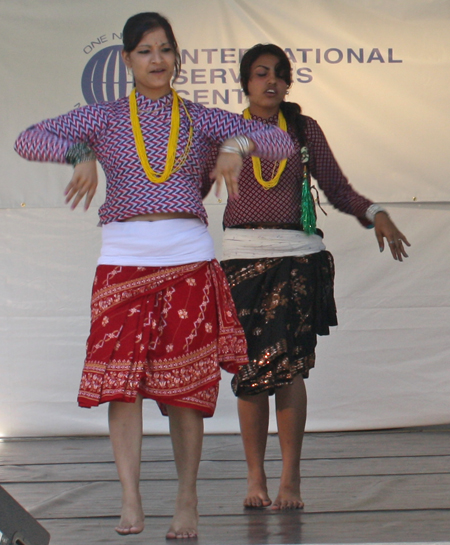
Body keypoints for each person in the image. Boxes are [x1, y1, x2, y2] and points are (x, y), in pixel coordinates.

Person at [14, 17, 295, 539]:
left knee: (185, 388)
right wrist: (81, 152)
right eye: (145, 51)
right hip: (123, 262)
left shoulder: (202, 118)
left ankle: (187, 499)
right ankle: (130, 498)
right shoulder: (102, 118)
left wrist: (235, 146)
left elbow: (276, 141)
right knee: (123, 389)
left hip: (187, 262)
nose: (158, 59)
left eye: (166, 49)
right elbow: (29, 139)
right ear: (127, 60)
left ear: (177, 57)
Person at [217, 44, 411, 510]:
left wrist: (375, 212)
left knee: (287, 371)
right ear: (245, 82)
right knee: (249, 374)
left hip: (297, 259)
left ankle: (290, 479)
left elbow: (337, 187)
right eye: (261, 74)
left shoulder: (304, 130)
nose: (271, 82)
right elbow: (187, 184)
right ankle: (254, 478)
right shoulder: (223, 133)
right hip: (242, 260)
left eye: (280, 75)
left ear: (288, 83)